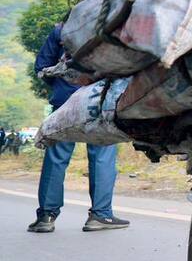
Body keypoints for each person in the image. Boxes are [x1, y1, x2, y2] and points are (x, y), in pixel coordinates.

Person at [26, 23, 127, 233]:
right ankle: (100, 215)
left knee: (56, 157)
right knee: (102, 155)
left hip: (64, 102)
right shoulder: (115, 25)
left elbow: (41, 67)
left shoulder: (62, 30)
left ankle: (46, 216)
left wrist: (63, 88)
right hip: (99, 102)